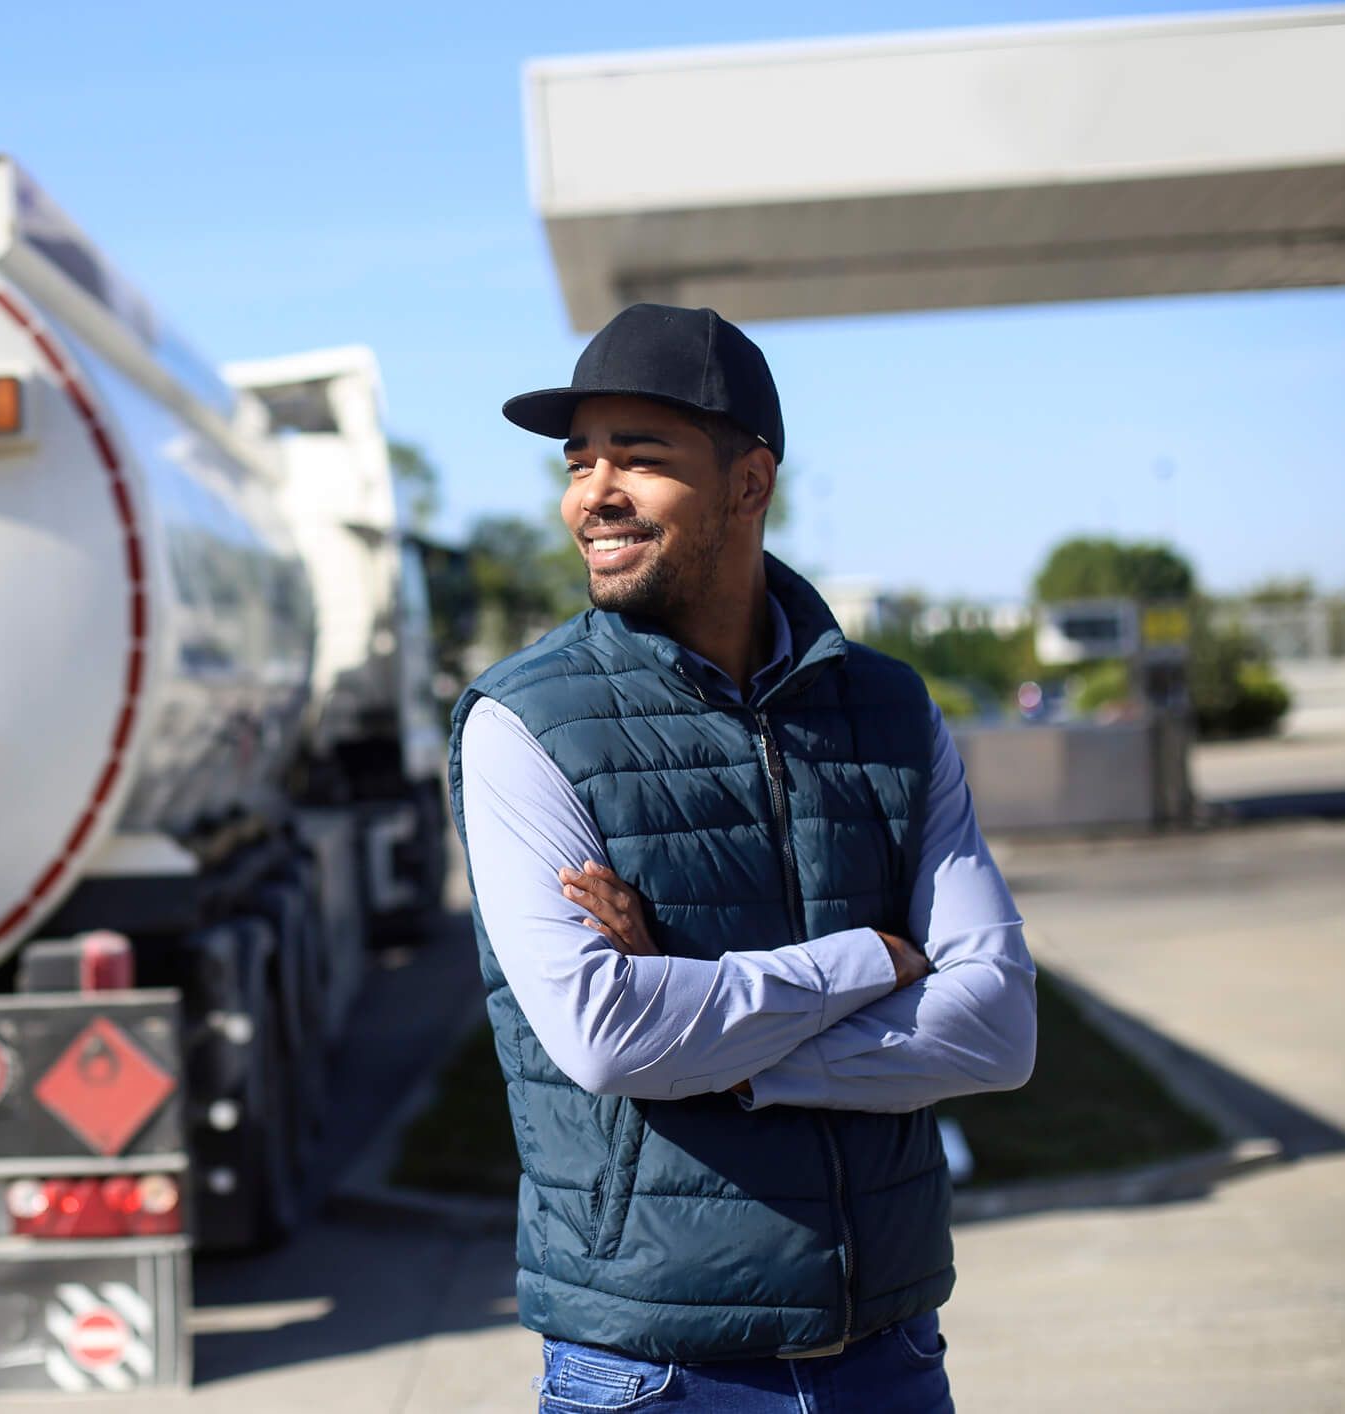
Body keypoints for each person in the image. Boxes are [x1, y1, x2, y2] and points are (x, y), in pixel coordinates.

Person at [450, 304, 1037, 1413]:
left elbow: (998, 1027)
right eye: (580, 461)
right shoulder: (523, 723)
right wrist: (874, 957)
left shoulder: (889, 709)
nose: (593, 493)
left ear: (749, 480)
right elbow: (609, 1033)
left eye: (640, 456)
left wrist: (723, 1052)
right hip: (653, 1372)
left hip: (891, 1357)